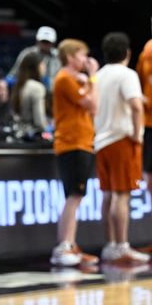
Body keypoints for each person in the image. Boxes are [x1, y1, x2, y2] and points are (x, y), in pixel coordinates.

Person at [94, 32, 150, 265]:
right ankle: (122, 246)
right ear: (127, 52)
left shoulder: (98, 76)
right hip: (121, 139)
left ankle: (110, 245)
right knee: (121, 195)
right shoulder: (127, 75)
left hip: (101, 140)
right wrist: (138, 134)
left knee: (108, 195)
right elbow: (136, 106)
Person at [49, 38, 100, 267]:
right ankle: (63, 247)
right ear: (70, 57)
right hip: (71, 143)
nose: (85, 59)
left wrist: (87, 80)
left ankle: (70, 245)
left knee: (76, 197)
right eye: (81, 55)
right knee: (73, 196)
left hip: (82, 142)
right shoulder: (64, 79)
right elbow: (93, 104)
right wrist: (93, 77)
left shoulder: (74, 80)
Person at [8, 25, 61, 92]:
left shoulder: (59, 56)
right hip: (29, 90)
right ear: (37, 40)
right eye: (43, 41)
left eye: (48, 42)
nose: (45, 44)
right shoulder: (27, 53)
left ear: (53, 42)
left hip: (53, 92)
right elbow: (14, 73)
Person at [12, 51, 49, 132]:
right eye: (42, 64)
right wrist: (47, 132)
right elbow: (39, 121)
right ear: (36, 67)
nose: (44, 68)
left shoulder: (20, 84)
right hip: (33, 136)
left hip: (20, 131)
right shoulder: (37, 87)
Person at [135, 38, 152, 197]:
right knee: (148, 170)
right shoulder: (146, 52)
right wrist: (141, 97)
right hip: (148, 122)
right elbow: (138, 84)